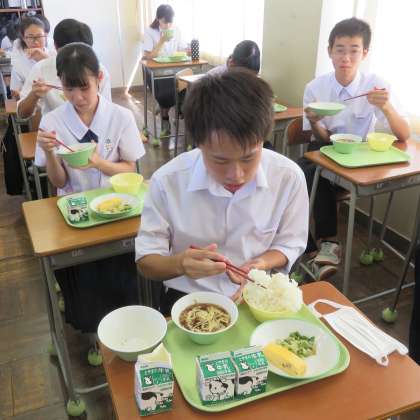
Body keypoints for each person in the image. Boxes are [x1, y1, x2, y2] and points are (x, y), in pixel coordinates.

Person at [135, 69, 308, 315]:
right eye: (220, 160)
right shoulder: (167, 181)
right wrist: (180, 264)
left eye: (248, 158)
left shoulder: (288, 177)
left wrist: (261, 263)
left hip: (257, 295)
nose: (236, 175)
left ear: (262, 140)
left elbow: (290, 242)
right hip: (187, 296)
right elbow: (146, 261)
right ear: (198, 144)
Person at [35, 42, 146, 332]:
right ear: (60, 84)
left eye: (84, 87)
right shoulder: (52, 121)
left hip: (117, 208)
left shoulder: (120, 116)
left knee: (123, 278)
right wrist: (49, 153)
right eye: (69, 89)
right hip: (77, 212)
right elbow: (59, 182)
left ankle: (126, 326)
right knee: (86, 286)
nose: (77, 97)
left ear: (100, 78)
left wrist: (99, 163)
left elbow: (131, 168)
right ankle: (93, 333)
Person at [298, 17, 410, 280]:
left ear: (365, 53)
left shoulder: (376, 85)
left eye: (354, 50)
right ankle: (320, 247)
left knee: (314, 177)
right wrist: (314, 122)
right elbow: (321, 138)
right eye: (340, 49)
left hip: (359, 155)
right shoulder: (315, 88)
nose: (346, 58)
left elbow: (403, 135)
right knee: (300, 175)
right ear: (330, 51)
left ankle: (321, 249)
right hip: (324, 147)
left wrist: (386, 107)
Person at [17, 18, 111, 120]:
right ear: (55, 47)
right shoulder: (42, 69)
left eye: (82, 56)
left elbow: (106, 112)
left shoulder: (99, 70)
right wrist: (33, 95)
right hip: (55, 128)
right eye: (69, 55)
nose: (75, 62)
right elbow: (22, 114)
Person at [142, 4, 187, 143]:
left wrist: (187, 50)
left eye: (169, 22)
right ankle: (165, 118)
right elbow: (148, 56)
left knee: (186, 85)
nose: (167, 26)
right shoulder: (150, 32)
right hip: (155, 72)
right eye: (164, 22)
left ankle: (171, 108)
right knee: (165, 92)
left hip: (174, 70)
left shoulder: (176, 30)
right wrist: (161, 41)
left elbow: (181, 49)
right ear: (158, 18)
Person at [10, 15, 54, 98]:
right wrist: (19, 94)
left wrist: (46, 59)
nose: (36, 41)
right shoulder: (18, 63)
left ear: (45, 36)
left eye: (39, 36)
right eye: (30, 37)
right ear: (24, 38)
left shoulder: (53, 54)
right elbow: (15, 91)